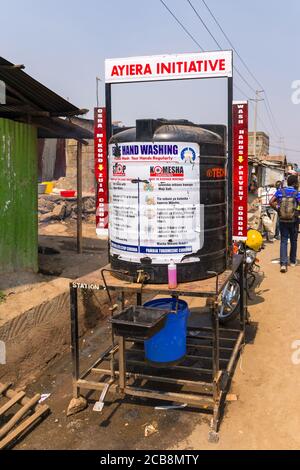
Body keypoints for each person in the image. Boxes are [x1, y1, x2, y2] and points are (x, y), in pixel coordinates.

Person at [270, 175, 300, 273]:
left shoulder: (280, 191)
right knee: (294, 241)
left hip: (282, 220)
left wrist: (278, 210)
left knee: (283, 241)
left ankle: (283, 264)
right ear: (295, 183)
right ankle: (292, 261)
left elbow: (271, 201)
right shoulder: (297, 193)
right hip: (294, 221)